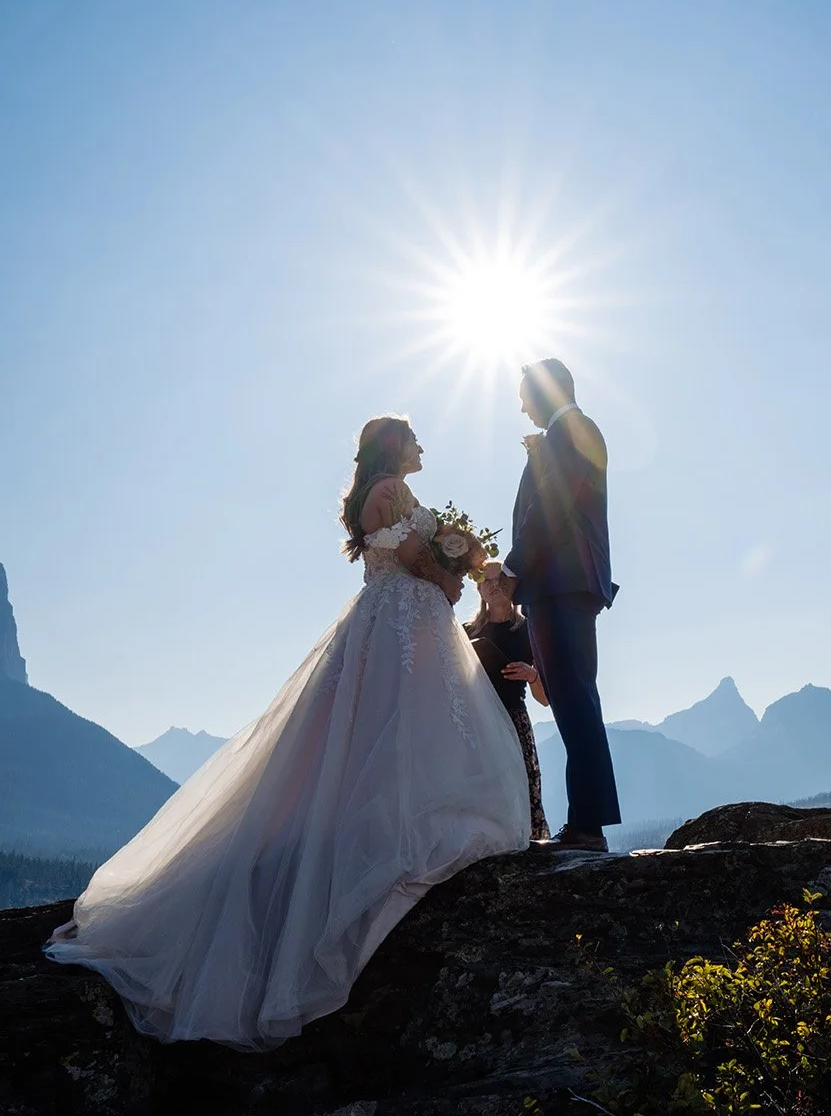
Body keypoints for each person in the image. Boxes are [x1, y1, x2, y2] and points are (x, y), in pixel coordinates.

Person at [44, 416, 530, 1049]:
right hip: (399, 624)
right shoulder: (389, 491)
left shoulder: (381, 493)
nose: (422, 448)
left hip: (402, 624)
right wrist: (452, 562)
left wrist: (452, 558)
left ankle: (394, 821)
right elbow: (413, 561)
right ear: (393, 447)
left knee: (391, 726)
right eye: (414, 438)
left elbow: (414, 556)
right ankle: (392, 833)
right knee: (394, 724)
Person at [506, 359, 619, 852]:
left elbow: (551, 509)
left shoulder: (572, 429)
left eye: (526, 395)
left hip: (562, 583)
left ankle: (587, 829)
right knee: (576, 700)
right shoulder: (567, 432)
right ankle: (586, 823)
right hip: (567, 584)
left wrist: (511, 569)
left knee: (574, 701)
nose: (522, 405)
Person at [464, 561, 551, 842]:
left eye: (501, 578)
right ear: (478, 589)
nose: (495, 585)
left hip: (513, 719)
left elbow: (545, 701)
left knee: (521, 791)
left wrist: (532, 674)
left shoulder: (531, 631)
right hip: (475, 724)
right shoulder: (465, 634)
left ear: (514, 585)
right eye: (487, 581)